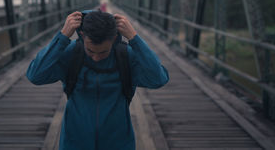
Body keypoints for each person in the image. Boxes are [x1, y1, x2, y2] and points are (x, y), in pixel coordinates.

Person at [26, 10, 169, 150]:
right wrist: (62, 37)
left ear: (113, 39)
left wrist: (134, 39)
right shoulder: (71, 54)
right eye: (90, 51)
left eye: (103, 52)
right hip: (75, 142)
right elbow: (36, 75)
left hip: (118, 143)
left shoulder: (126, 57)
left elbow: (158, 79)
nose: (96, 57)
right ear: (82, 35)